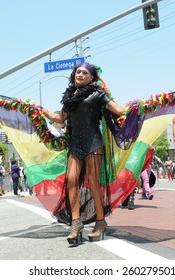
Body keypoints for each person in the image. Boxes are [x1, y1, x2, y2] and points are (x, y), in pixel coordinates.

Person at [42, 62, 127, 244]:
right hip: (75, 144)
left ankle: (100, 221)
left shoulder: (98, 94)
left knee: (93, 182)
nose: (79, 74)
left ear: (91, 78)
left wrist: (141, 106)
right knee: (71, 180)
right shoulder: (69, 97)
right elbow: (61, 118)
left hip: (93, 143)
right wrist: (43, 111)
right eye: (78, 71)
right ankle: (76, 222)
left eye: (84, 72)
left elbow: (118, 110)